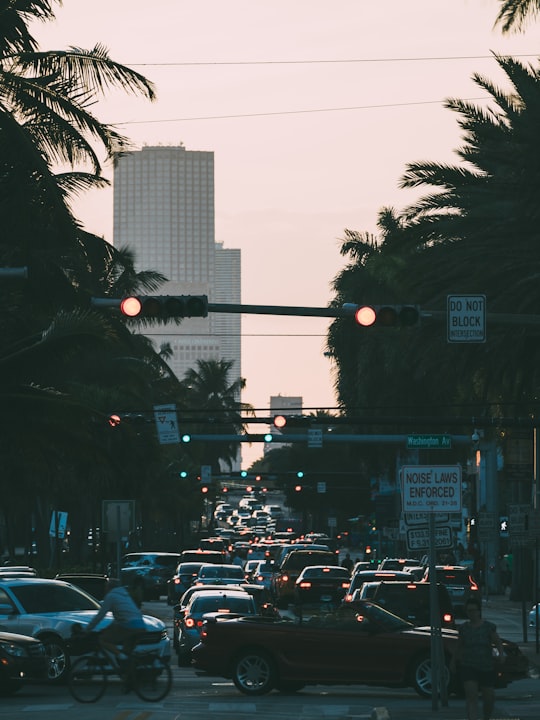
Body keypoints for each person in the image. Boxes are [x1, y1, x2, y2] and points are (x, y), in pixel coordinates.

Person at [450, 596, 505, 720]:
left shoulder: (488, 627)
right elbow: (459, 646)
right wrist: (453, 661)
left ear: (479, 611)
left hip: (486, 666)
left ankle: (486, 716)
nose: (471, 613)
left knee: (488, 696)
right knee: (471, 695)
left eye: (474, 610)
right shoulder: (464, 628)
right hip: (468, 665)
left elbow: (497, 642)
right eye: (469, 611)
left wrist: (501, 655)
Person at [84, 575, 146, 659]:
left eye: (105, 587)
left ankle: (121, 656)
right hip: (141, 625)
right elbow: (119, 619)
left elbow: (100, 616)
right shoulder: (125, 595)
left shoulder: (111, 596)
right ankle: (128, 668)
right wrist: (106, 629)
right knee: (127, 652)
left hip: (129, 626)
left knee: (103, 640)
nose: (104, 589)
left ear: (109, 588)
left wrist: (88, 629)